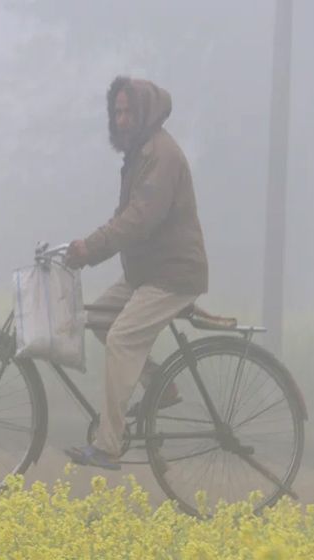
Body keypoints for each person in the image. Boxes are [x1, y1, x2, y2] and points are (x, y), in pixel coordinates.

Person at [63, 76, 209, 471]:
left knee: (122, 340)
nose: (122, 119)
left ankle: (108, 445)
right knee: (95, 317)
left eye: (128, 111)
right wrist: (84, 246)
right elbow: (125, 217)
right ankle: (160, 385)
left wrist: (90, 249)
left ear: (144, 112)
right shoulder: (140, 154)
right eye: (117, 112)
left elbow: (139, 220)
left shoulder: (161, 155)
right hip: (146, 272)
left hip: (171, 276)